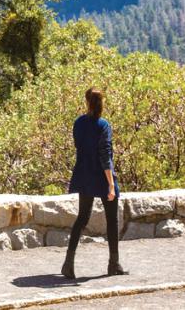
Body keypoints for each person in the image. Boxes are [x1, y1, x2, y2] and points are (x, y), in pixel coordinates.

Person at [62, 87, 127, 279]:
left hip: (84, 174)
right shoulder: (103, 125)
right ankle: (113, 263)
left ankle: (68, 263)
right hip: (101, 175)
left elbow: (79, 146)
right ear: (102, 103)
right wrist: (110, 184)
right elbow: (105, 156)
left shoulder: (78, 123)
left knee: (82, 217)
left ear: (86, 101)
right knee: (112, 219)